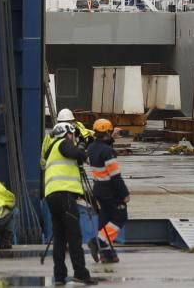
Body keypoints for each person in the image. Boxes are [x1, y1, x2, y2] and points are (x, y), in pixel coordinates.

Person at [43, 121, 98, 285]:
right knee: (74, 236)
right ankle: (81, 273)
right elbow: (76, 154)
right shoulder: (62, 144)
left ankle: (59, 276)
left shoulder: (51, 150)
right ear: (67, 134)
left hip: (54, 196)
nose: (73, 138)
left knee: (60, 238)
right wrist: (82, 146)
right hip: (64, 195)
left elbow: (73, 162)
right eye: (73, 135)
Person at [87, 118, 130, 264]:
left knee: (104, 220)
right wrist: (124, 193)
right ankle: (97, 241)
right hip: (110, 190)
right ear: (107, 132)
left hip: (98, 189)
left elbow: (100, 148)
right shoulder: (108, 151)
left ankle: (106, 254)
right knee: (120, 217)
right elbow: (115, 175)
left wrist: (111, 139)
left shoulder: (92, 148)